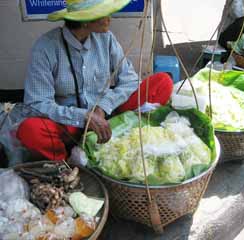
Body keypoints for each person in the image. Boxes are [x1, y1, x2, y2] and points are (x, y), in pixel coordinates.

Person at [17, 0, 173, 161]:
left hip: (110, 116)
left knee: (163, 82)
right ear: (85, 20)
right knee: (30, 131)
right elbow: (37, 104)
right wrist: (84, 116)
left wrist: (102, 108)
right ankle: (70, 164)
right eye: (103, 13)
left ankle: (121, 133)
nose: (109, 18)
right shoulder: (46, 48)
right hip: (69, 123)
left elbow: (130, 80)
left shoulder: (106, 39)